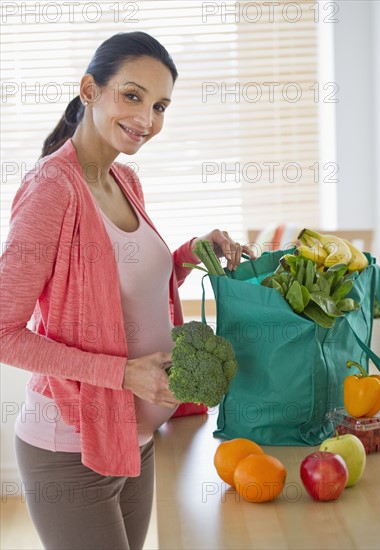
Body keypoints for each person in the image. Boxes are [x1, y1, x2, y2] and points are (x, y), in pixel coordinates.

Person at [0, 32, 255, 550]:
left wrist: (186, 252)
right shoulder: (52, 190)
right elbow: (4, 332)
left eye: (160, 105)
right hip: (70, 445)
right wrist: (120, 373)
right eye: (132, 95)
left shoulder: (126, 180)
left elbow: (124, 295)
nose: (147, 119)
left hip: (133, 440)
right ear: (90, 90)